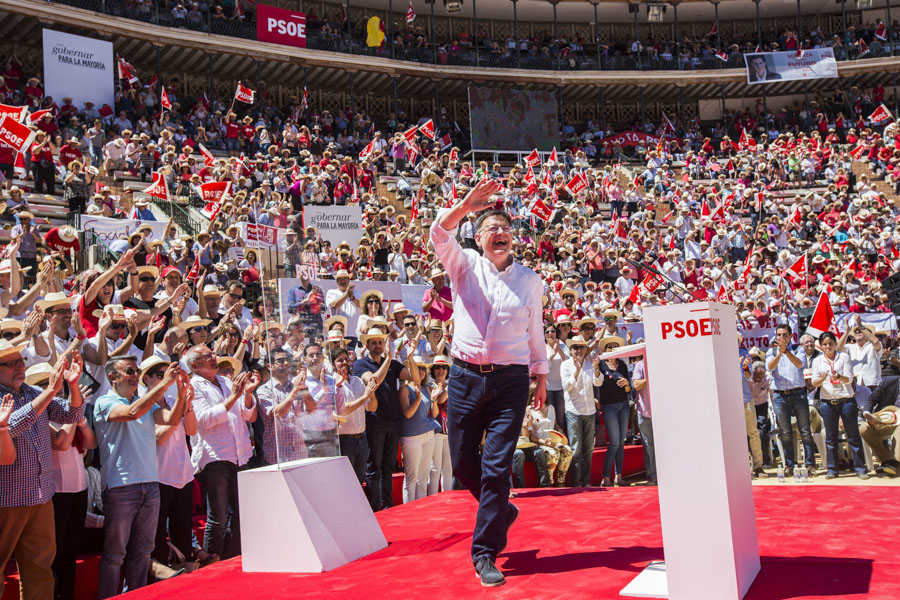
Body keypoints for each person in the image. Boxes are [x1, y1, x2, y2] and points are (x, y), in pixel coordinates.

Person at [429, 179, 547, 587]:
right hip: (464, 378)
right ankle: (501, 510)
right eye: (492, 229)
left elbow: (536, 332)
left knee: (496, 470)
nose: (500, 234)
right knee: (464, 463)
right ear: (478, 239)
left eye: (506, 229)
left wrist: (542, 374)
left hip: (511, 382)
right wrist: (464, 205)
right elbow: (437, 233)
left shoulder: (530, 281)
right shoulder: (463, 265)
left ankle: (484, 553)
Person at [93, 357, 190, 598]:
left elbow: (171, 419)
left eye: (136, 371)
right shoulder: (104, 401)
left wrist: (180, 394)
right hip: (120, 485)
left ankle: (135, 595)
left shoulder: (142, 401)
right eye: (129, 371)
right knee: (115, 554)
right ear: (112, 377)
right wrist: (164, 385)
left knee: (143, 551)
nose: (135, 375)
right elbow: (132, 413)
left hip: (149, 483)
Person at [0, 344, 84, 600]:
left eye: (20, 361)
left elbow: (73, 413)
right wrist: (49, 391)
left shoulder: (32, 392)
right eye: (11, 363)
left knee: (39, 569)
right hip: (6, 501)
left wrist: (73, 386)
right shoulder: (37, 394)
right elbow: (12, 425)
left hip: (40, 496)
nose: (20, 367)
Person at [187, 344, 260, 560]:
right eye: (207, 356)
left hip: (240, 452)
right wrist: (234, 396)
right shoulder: (194, 386)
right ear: (194, 365)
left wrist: (246, 395)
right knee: (217, 517)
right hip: (215, 456)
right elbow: (204, 421)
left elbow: (249, 416)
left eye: (212, 354)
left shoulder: (226, 381)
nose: (213, 358)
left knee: (241, 513)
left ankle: (236, 557)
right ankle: (212, 560)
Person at [352, 327, 411, 511]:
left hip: (393, 422)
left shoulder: (392, 363)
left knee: (387, 466)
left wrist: (410, 355)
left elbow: (412, 376)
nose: (377, 346)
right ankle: (375, 506)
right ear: (367, 345)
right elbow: (373, 381)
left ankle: (387, 505)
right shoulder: (360, 364)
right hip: (374, 422)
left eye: (380, 342)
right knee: (373, 466)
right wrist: (389, 360)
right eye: (374, 342)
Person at [810, 332, 868, 479]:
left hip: (846, 401)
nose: (828, 347)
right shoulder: (817, 361)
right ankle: (832, 469)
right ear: (821, 346)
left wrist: (839, 377)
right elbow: (813, 383)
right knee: (830, 438)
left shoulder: (844, 357)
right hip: (828, 402)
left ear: (835, 344)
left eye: (830, 343)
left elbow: (849, 379)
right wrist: (823, 377)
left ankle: (860, 468)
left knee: (853, 435)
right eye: (825, 344)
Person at [766, 324, 816, 474]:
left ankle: (810, 464)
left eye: (784, 335)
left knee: (805, 430)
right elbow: (770, 367)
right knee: (785, 431)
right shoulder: (771, 351)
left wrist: (786, 352)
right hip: (780, 395)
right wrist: (779, 354)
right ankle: (789, 465)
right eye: (779, 335)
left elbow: (799, 364)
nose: (782, 337)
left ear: (790, 336)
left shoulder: (799, 349)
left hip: (798, 393)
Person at [331, 346, 378, 483]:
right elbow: (344, 410)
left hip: (361, 439)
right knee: (345, 481)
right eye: (340, 360)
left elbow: (371, 407)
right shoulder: (333, 382)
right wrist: (365, 397)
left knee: (359, 480)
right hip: (344, 440)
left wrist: (372, 393)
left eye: (346, 359)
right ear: (333, 364)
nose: (344, 362)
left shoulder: (357, 381)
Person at [559, 334, 600, 487]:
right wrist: (576, 372)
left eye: (581, 347)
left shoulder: (590, 364)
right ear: (570, 349)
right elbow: (567, 387)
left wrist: (596, 370)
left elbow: (598, 382)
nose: (578, 350)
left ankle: (586, 481)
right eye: (575, 347)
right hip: (574, 411)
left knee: (588, 448)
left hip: (589, 411)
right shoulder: (565, 365)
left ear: (585, 349)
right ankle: (576, 482)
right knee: (576, 448)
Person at [399, 354, 438, 502]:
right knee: (411, 477)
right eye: (416, 367)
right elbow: (408, 414)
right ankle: (409, 511)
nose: (420, 371)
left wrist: (433, 399)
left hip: (428, 435)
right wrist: (419, 399)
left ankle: (420, 510)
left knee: (423, 476)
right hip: (411, 437)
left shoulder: (427, 388)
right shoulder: (404, 389)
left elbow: (433, 414)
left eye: (422, 368)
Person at [595, 336, 631, 487]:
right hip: (609, 406)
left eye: (615, 347)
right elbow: (597, 382)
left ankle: (618, 475)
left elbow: (629, 390)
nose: (612, 349)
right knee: (614, 442)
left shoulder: (622, 365)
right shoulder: (601, 365)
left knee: (621, 442)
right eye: (609, 347)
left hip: (623, 404)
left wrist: (627, 383)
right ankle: (606, 476)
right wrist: (596, 367)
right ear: (605, 349)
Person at [859, 373, 900, 477]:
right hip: (882, 420)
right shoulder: (888, 381)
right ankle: (888, 461)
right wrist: (868, 414)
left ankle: (894, 464)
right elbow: (870, 400)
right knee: (863, 428)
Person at [631, 354, 655, 485]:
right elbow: (636, 385)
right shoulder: (640, 365)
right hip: (645, 412)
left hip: (662, 413)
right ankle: (653, 477)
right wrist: (650, 377)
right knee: (649, 445)